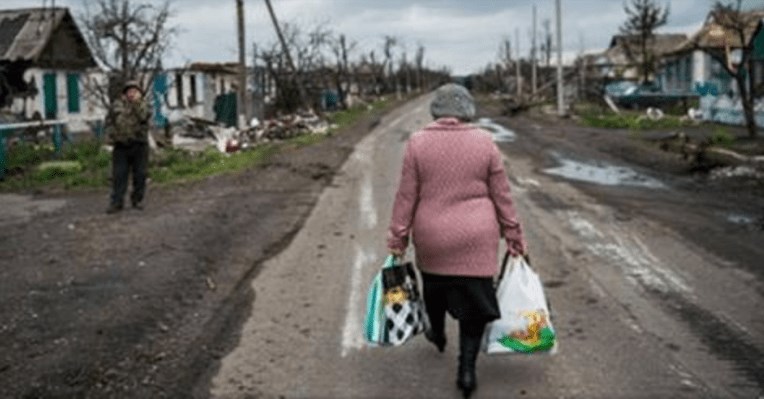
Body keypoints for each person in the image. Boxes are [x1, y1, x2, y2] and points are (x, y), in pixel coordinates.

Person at [387, 83, 527, 398]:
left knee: (434, 291)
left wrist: (398, 237)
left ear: (436, 110)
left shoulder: (417, 143)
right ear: (467, 110)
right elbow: (502, 196)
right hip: (477, 238)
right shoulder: (485, 142)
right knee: (474, 307)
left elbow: (406, 196)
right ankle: (466, 372)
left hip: (432, 236)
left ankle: (436, 332)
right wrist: (514, 235)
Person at [106, 80, 151, 214]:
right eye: (129, 91)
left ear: (139, 93)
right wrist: (111, 135)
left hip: (139, 144)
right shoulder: (117, 105)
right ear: (125, 93)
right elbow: (109, 121)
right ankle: (116, 202)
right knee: (119, 175)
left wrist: (136, 103)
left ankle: (137, 200)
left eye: (134, 91)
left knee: (140, 174)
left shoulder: (144, 105)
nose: (131, 94)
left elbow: (144, 116)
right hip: (121, 145)